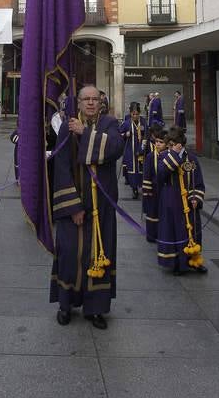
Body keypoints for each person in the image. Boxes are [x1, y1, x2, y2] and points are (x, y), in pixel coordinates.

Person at [50, 84, 125, 330]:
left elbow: (115, 149)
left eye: (95, 99)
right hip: (73, 205)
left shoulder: (110, 124)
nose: (91, 103)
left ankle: (96, 309)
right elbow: (60, 168)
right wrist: (73, 207)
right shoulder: (66, 128)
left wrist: (85, 133)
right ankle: (66, 304)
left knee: (99, 255)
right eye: (86, 99)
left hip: (101, 206)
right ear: (78, 103)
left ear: (101, 102)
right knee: (70, 254)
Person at [156, 126, 206, 275]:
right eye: (169, 144)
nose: (171, 147)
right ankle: (176, 262)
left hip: (189, 203)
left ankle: (194, 260)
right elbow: (161, 174)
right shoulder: (164, 156)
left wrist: (196, 197)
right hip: (171, 201)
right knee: (174, 231)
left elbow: (198, 181)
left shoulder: (191, 158)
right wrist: (174, 155)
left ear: (181, 143)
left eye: (174, 144)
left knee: (192, 231)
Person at [142, 128, 167, 243]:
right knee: (152, 212)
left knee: (163, 213)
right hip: (153, 190)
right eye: (156, 141)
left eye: (161, 142)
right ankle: (152, 235)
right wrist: (147, 191)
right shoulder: (150, 156)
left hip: (164, 189)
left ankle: (163, 234)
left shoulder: (169, 156)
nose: (158, 144)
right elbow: (146, 174)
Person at [119, 103, 146, 199]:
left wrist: (143, 148)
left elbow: (147, 134)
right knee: (132, 169)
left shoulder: (143, 122)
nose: (135, 116)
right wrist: (125, 135)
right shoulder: (126, 123)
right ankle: (134, 188)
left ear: (139, 113)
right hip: (130, 150)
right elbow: (119, 134)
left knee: (142, 169)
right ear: (130, 114)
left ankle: (143, 187)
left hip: (142, 149)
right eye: (133, 114)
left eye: (137, 114)